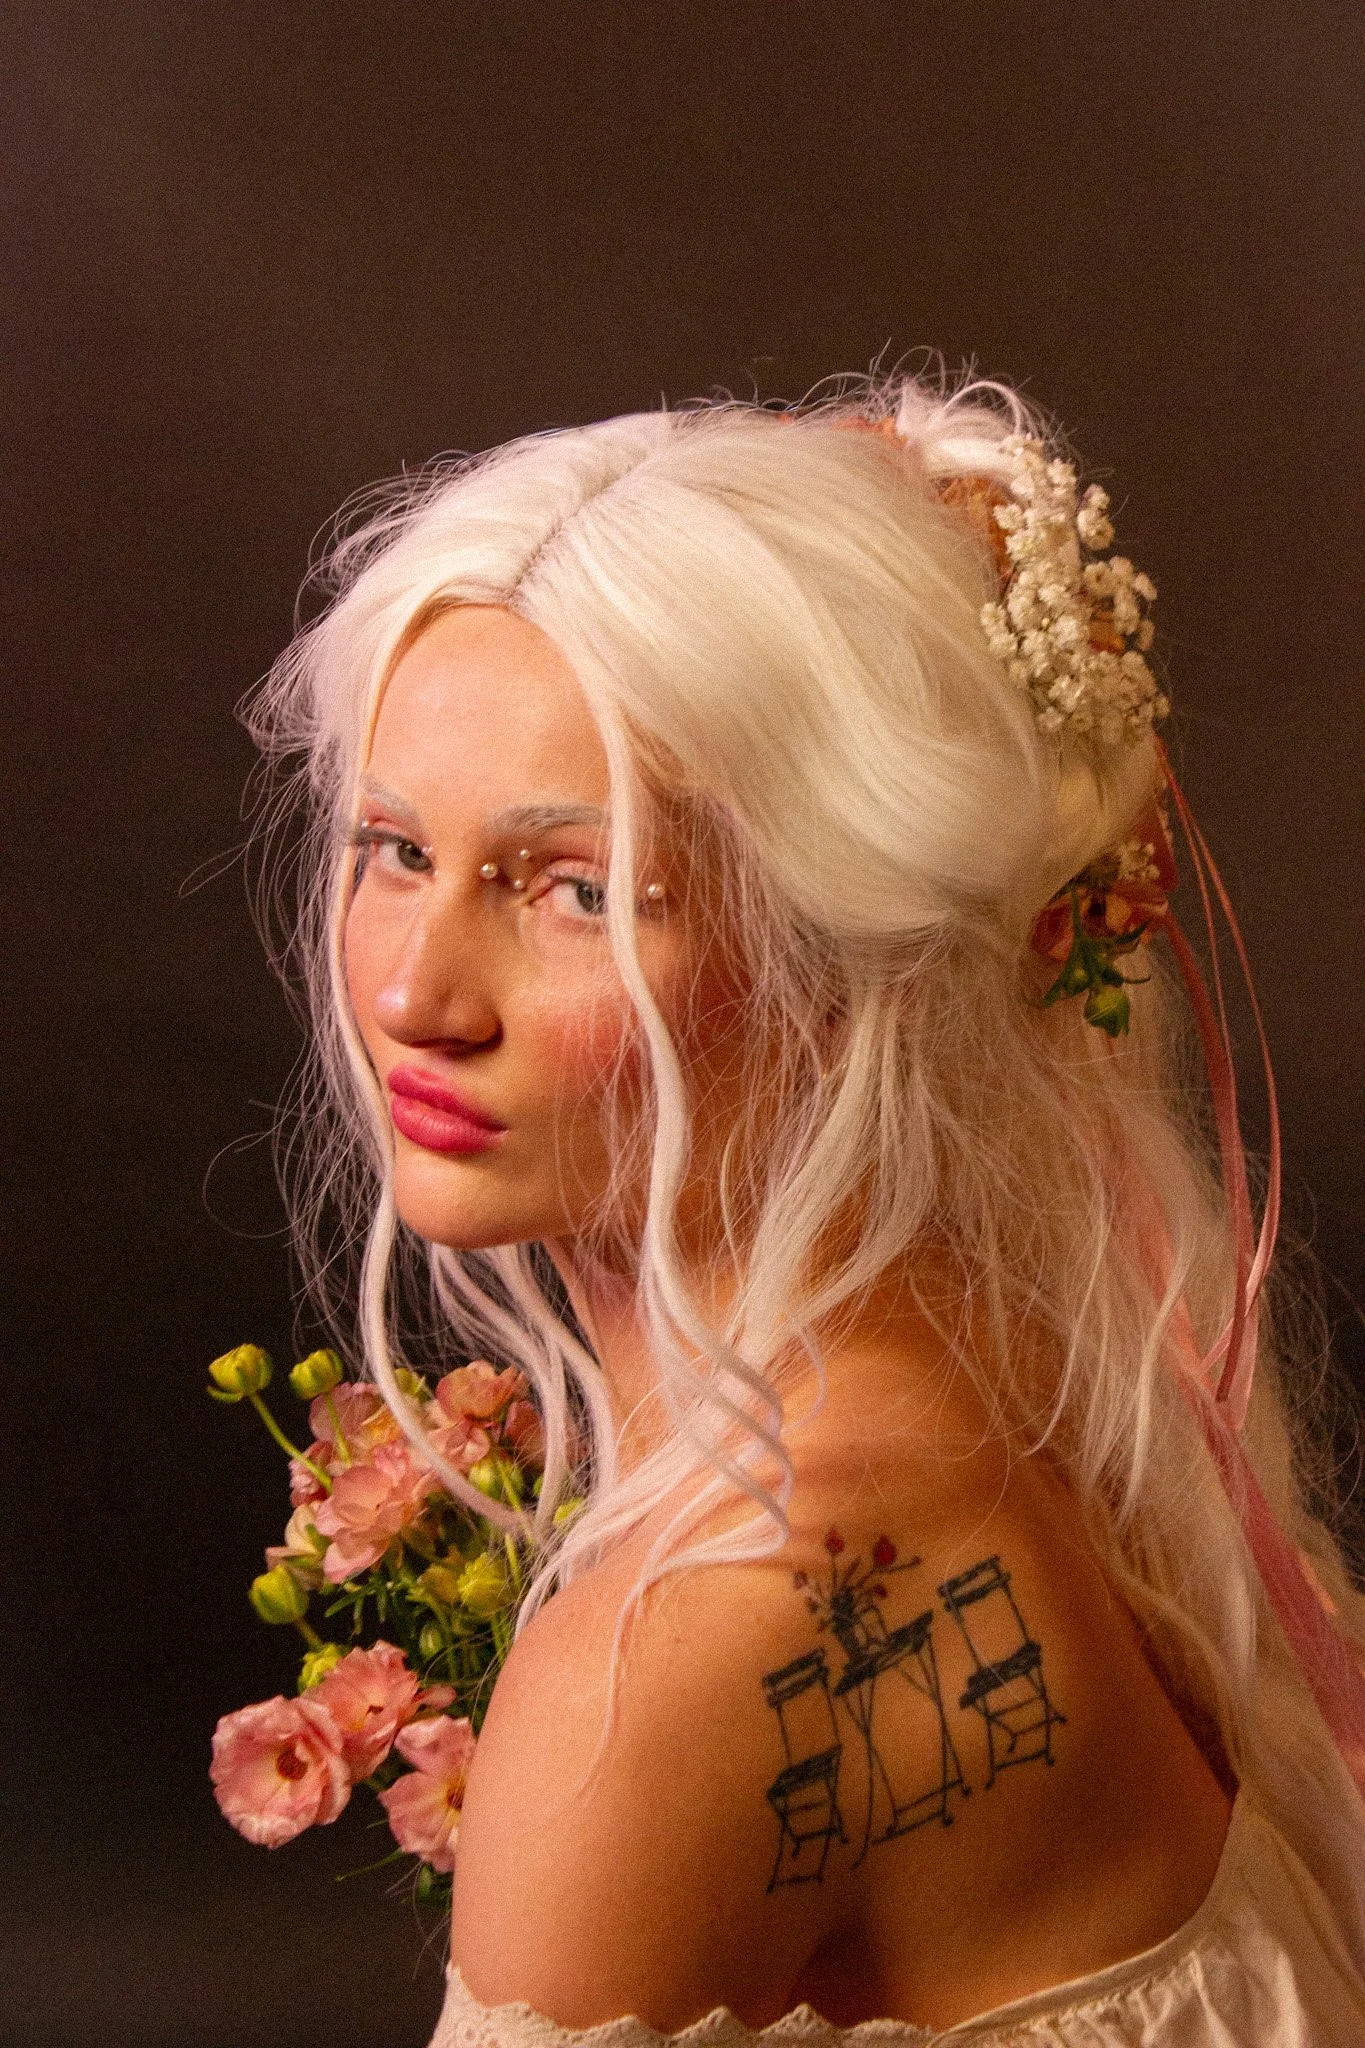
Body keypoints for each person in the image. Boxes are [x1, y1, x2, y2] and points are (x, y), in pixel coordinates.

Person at [246, 371, 1365, 2043]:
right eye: (398, 851)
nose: (416, 994)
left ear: (843, 960)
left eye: (578, 891)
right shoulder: (1018, 1362)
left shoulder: (689, 1656)